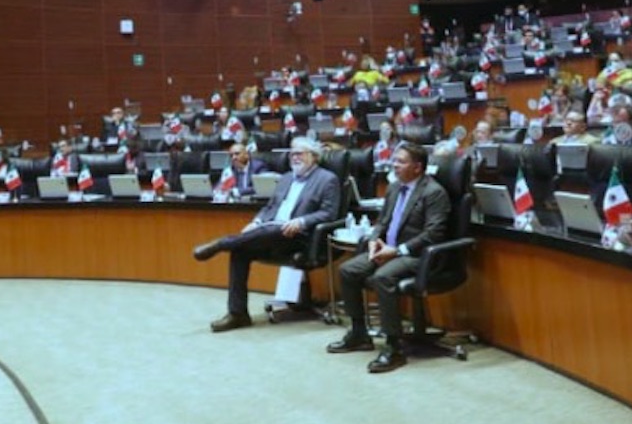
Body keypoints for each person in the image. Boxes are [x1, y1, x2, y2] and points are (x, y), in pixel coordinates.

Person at [190, 136, 341, 332]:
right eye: (292, 154)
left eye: (299, 154)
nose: (294, 157)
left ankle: (222, 243)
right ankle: (238, 314)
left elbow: (329, 213)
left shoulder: (328, 179)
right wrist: (256, 222)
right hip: (271, 231)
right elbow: (270, 207)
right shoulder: (286, 178)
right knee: (240, 250)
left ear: (313, 157)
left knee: (268, 231)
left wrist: (301, 221)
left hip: (301, 237)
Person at [328, 141, 450, 373]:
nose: (394, 165)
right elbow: (382, 221)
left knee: (383, 277)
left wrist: (398, 250)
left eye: (400, 162)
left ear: (417, 167)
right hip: (387, 249)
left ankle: (394, 347)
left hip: (417, 256)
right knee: (347, 270)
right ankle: (359, 333)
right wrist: (374, 240)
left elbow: (433, 234)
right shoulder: (394, 187)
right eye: (394, 160)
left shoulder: (434, 192)